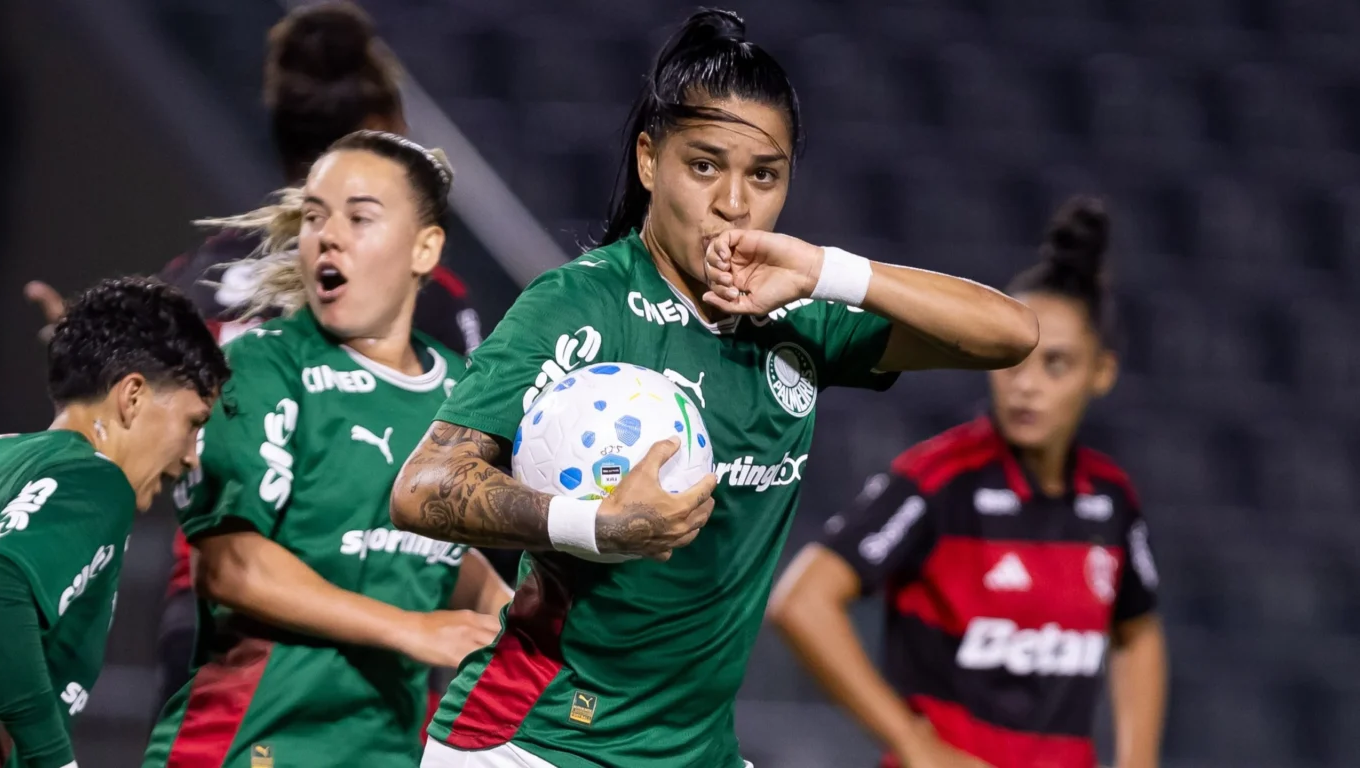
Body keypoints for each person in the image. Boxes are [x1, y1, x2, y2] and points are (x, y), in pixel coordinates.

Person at [388, 9, 1039, 768]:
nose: (734, 203)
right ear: (648, 160)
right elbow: (423, 487)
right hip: (532, 743)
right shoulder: (579, 305)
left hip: (696, 753)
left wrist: (824, 270)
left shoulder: (800, 316)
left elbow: (1010, 334)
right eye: (704, 167)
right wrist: (598, 525)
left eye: (763, 175)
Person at [24, 0, 488, 712]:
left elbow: (134, 401)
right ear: (387, 134)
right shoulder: (421, 294)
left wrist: (92, 363)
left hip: (214, 622)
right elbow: (454, 480)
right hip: (363, 617)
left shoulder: (200, 274)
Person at [141, 130, 511, 768]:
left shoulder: (462, 392)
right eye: (314, 217)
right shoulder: (261, 365)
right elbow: (231, 566)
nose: (327, 236)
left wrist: (509, 615)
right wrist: (413, 628)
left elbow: (425, 552)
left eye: (359, 218)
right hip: (248, 744)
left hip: (388, 750)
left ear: (425, 248)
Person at [768, 198, 1168, 768]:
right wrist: (915, 745)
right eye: (1016, 361)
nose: (1026, 385)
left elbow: (1138, 634)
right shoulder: (937, 481)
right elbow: (803, 601)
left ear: (1101, 372)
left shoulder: (1112, 499)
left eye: (1056, 364)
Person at [0, 277, 229, 768]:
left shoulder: (4, 454)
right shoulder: (98, 481)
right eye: (193, 423)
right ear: (133, 396)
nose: (192, 456)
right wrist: (53, 759)